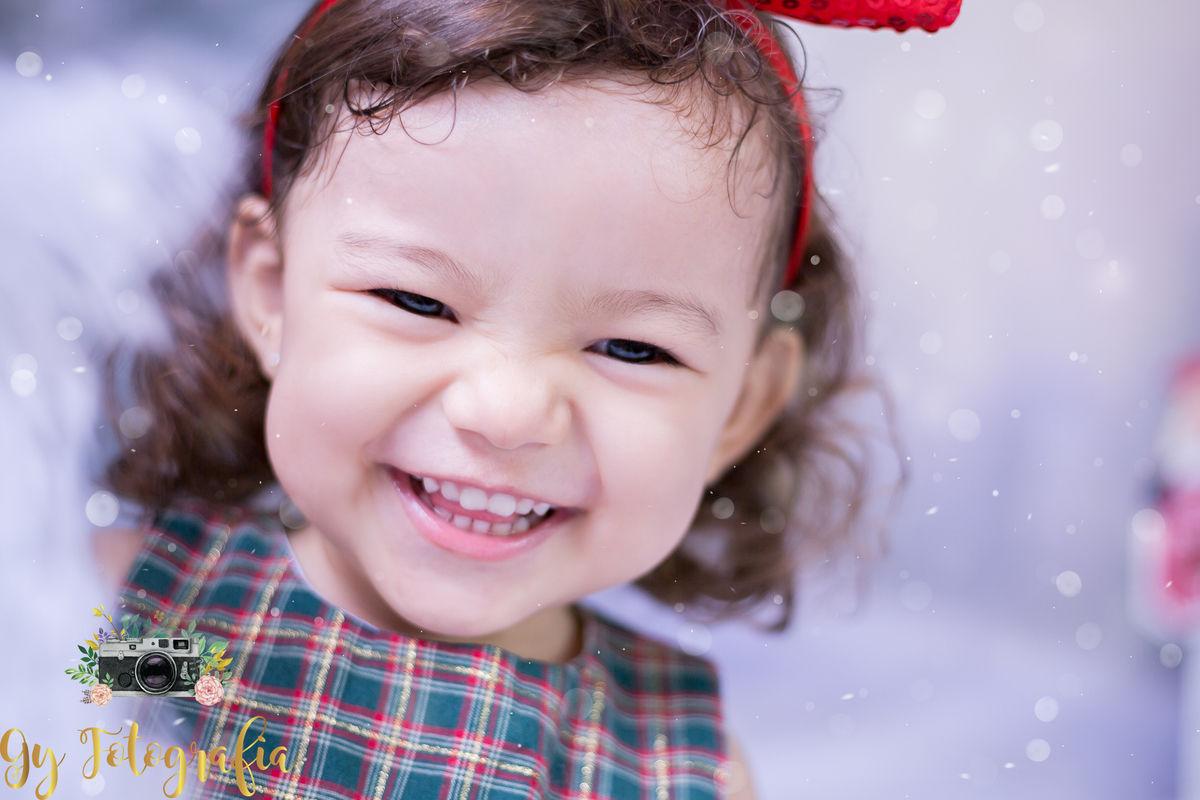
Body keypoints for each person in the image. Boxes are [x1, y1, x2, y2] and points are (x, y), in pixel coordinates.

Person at [93, 1, 961, 797]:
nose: (506, 414)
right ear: (273, 293)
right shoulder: (154, 623)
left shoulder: (673, 771)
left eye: (632, 348)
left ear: (742, 402)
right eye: (416, 302)